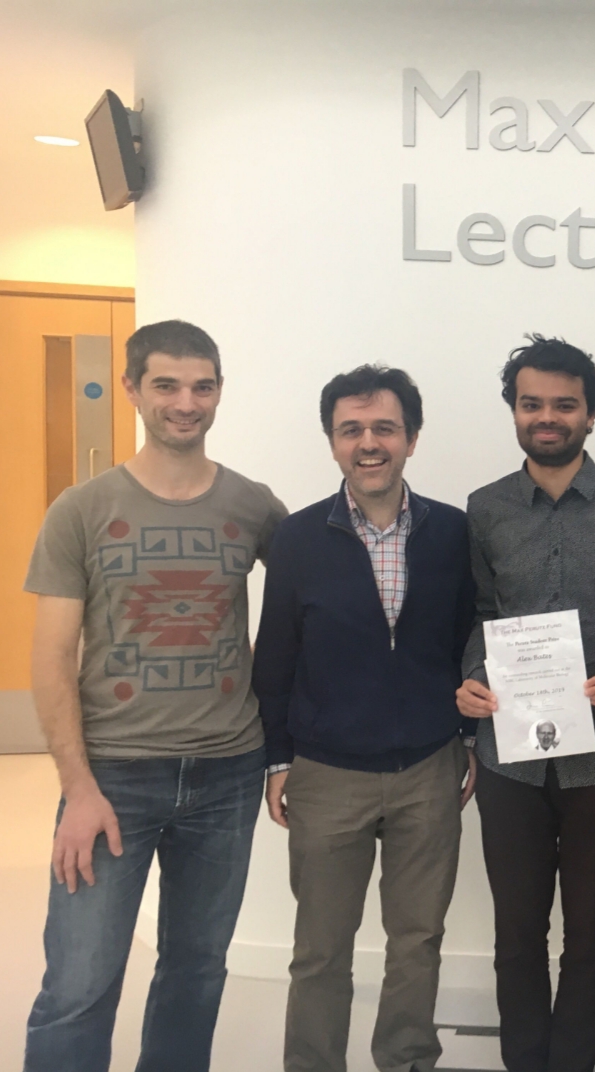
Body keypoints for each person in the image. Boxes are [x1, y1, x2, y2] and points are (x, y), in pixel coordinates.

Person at [23, 320, 287, 1072]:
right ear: (132, 389)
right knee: (79, 984)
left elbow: (314, 606)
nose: (185, 403)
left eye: (202, 386)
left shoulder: (254, 506)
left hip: (228, 774)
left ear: (220, 392)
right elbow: (51, 657)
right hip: (113, 776)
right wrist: (78, 789)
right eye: (166, 385)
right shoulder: (81, 508)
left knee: (196, 972)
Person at [253, 365, 477, 1072]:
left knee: (418, 940)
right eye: (351, 430)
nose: (369, 443)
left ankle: (407, 1059)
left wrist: (470, 738)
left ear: (411, 437)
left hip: (429, 767)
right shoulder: (296, 538)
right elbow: (276, 655)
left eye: (384, 427)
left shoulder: (453, 531)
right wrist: (277, 760)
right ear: (332, 442)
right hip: (326, 772)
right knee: (320, 949)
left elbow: (468, 641)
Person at [458, 336, 595, 1072]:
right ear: (513, 410)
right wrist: (471, 679)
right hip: (507, 758)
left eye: (563, 405)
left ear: (590, 414)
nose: (547, 417)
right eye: (531, 403)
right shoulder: (484, 508)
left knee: (590, 932)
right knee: (516, 933)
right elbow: (479, 614)